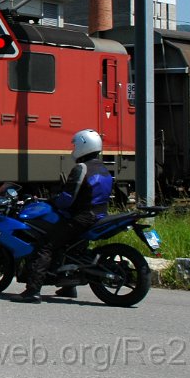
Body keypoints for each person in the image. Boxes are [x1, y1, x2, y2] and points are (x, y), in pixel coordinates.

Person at [12, 128, 115, 304]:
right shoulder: (103, 168)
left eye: (75, 145)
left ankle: (32, 291)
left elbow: (68, 198)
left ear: (84, 145)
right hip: (99, 216)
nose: (73, 148)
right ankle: (68, 286)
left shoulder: (81, 168)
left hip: (81, 218)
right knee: (71, 248)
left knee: (46, 246)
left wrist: (51, 202)